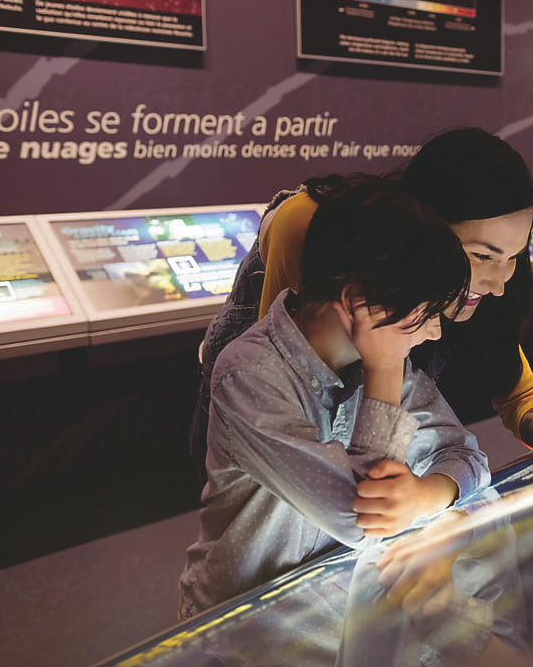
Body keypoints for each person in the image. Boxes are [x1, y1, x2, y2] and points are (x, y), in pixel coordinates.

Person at [190, 127, 533, 483]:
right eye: (481, 256)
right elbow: (289, 388)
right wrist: (387, 372)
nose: (498, 284)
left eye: (513, 257)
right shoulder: (311, 225)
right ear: (425, 224)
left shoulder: (478, 286)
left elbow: (501, 363)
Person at [178, 176, 490, 620]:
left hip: (325, 608)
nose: (435, 331)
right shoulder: (249, 374)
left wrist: (429, 493)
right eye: (427, 311)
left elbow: (468, 456)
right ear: (360, 302)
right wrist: (384, 368)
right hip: (240, 624)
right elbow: (361, 520)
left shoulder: (385, 364)